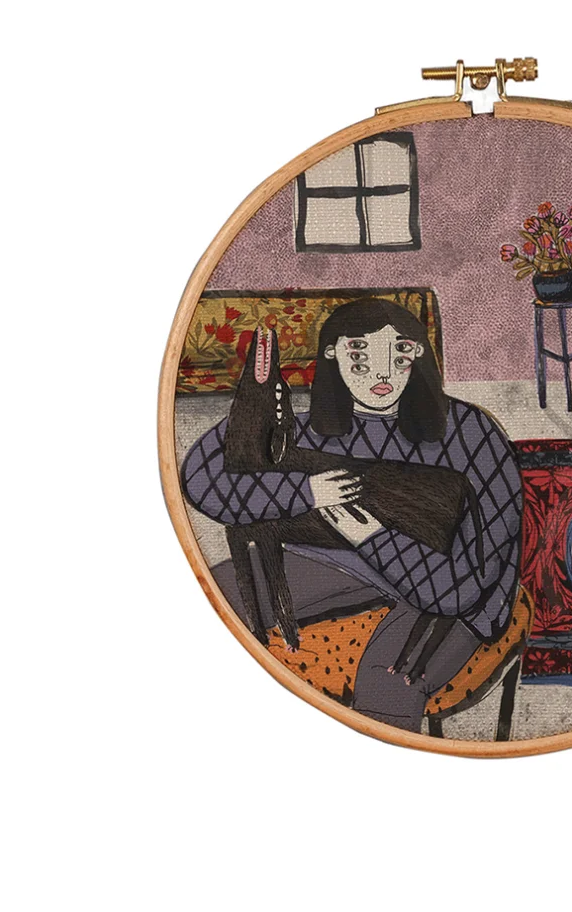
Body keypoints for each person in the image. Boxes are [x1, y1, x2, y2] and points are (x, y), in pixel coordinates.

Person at [181, 298, 522, 732]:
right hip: (346, 565)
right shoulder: (315, 425)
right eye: (361, 356)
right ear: (333, 355)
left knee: (387, 685)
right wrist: (305, 492)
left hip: (457, 593)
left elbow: (459, 589)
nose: (382, 375)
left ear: (417, 355)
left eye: (399, 355)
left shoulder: (472, 436)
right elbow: (200, 477)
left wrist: (373, 538)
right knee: (211, 598)